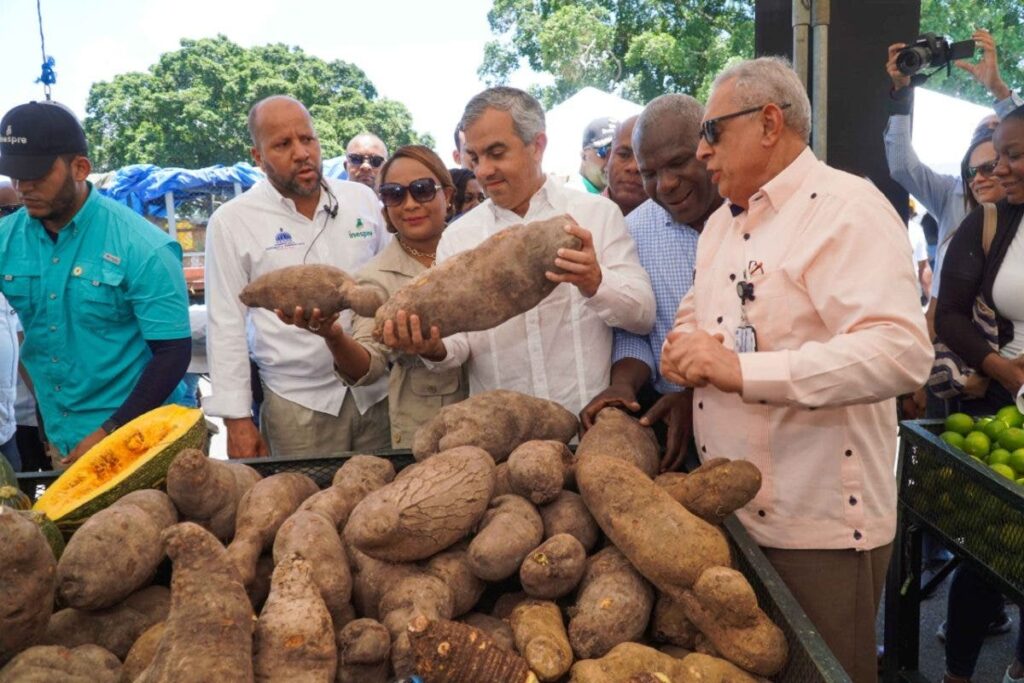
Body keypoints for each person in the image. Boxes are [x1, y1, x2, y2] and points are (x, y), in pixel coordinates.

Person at [660, 57, 933, 681]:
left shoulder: (847, 208)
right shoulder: (719, 228)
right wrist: (683, 347)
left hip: (818, 531)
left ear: (768, 122)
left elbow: (899, 351)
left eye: (710, 132)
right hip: (733, 517)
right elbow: (694, 313)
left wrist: (740, 370)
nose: (701, 153)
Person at [381, 86, 654, 417]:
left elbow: (642, 316)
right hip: (503, 435)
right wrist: (433, 348)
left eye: (497, 153)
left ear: (537, 146)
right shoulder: (459, 236)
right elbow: (459, 346)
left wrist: (595, 281)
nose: (483, 171)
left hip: (589, 426)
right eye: (475, 157)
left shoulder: (597, 214)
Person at [0, 101, 192, 464]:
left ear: (80, 167)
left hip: (148, 438)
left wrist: (109, 432)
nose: (23, 187)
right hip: (65, 442)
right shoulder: (7, 241)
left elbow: (173, 353)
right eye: (15, 175)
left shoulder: (143, 246)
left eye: (36, 174)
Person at [204, 96, 391, 458]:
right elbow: (225, 322)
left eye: (307, 139)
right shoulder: (232, 221)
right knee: (301, 507)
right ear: (257, 157)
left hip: (375, 396)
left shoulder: (362, 202)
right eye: (282, 144)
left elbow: (386, 286)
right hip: (298, 406)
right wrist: (237, 420)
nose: (302, 152)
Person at [286, 145, 467, 447]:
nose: (409, 204)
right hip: (430, 435)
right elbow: (370, 365)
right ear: (384, 208)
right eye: (394, 194)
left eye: (422, 190)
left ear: (447, 196)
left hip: (500, 413)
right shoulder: (374, 277)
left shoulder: (477, 247)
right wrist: (334, 336)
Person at [581, 94, 722, 471]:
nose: (667, 184)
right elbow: (637, 332)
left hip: (757, 420)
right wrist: (623, 385)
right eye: (650, 173)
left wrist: (699, 401)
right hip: (669, 429)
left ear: (707, 146)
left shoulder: (752, 216)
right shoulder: (634, 231)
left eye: (678, 163)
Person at [935, 105, 1024, 683]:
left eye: (1013, 155)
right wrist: (1004, 371)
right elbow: (948, 314)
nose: (1002, 167)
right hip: (998, 414)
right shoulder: (990, 222)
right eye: (998, 155)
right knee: (988, 551)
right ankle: (957, 673)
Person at [885, 29, 1021, 342]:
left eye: (990, 165)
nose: (980, 177)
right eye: (972, 171)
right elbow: (901, 166)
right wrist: (901, 93)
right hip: (947, 340)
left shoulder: (1019, 210)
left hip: (1004, 347)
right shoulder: (953, 194)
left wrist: (999, 91)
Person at [602, 115, 647, 217]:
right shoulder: (579, 216)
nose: (634, 167)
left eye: (644, 159)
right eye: (624, 155)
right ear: (608, 158)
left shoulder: (675, 225)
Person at [578, 117, 616, 194]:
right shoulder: (570, 197)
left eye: (621, 153)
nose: (612, 160)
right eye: (603, 151)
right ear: (584, 156)